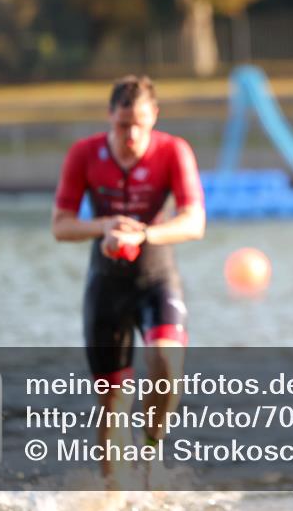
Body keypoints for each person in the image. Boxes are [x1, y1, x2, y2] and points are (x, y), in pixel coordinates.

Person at [51, 75, 205, 487]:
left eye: (139, 123)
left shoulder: (174, 151)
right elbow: (60, 226)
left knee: (166, 362)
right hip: (106, 286)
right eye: (122, 125)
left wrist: (143, 234)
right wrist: (104, 226)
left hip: (156, 276)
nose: (131, 135)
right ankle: (114, 493)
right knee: (112, 403)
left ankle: (151, 456)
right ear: (109, 118)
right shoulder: (84, 154)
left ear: (154, 117)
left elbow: (195, 221)